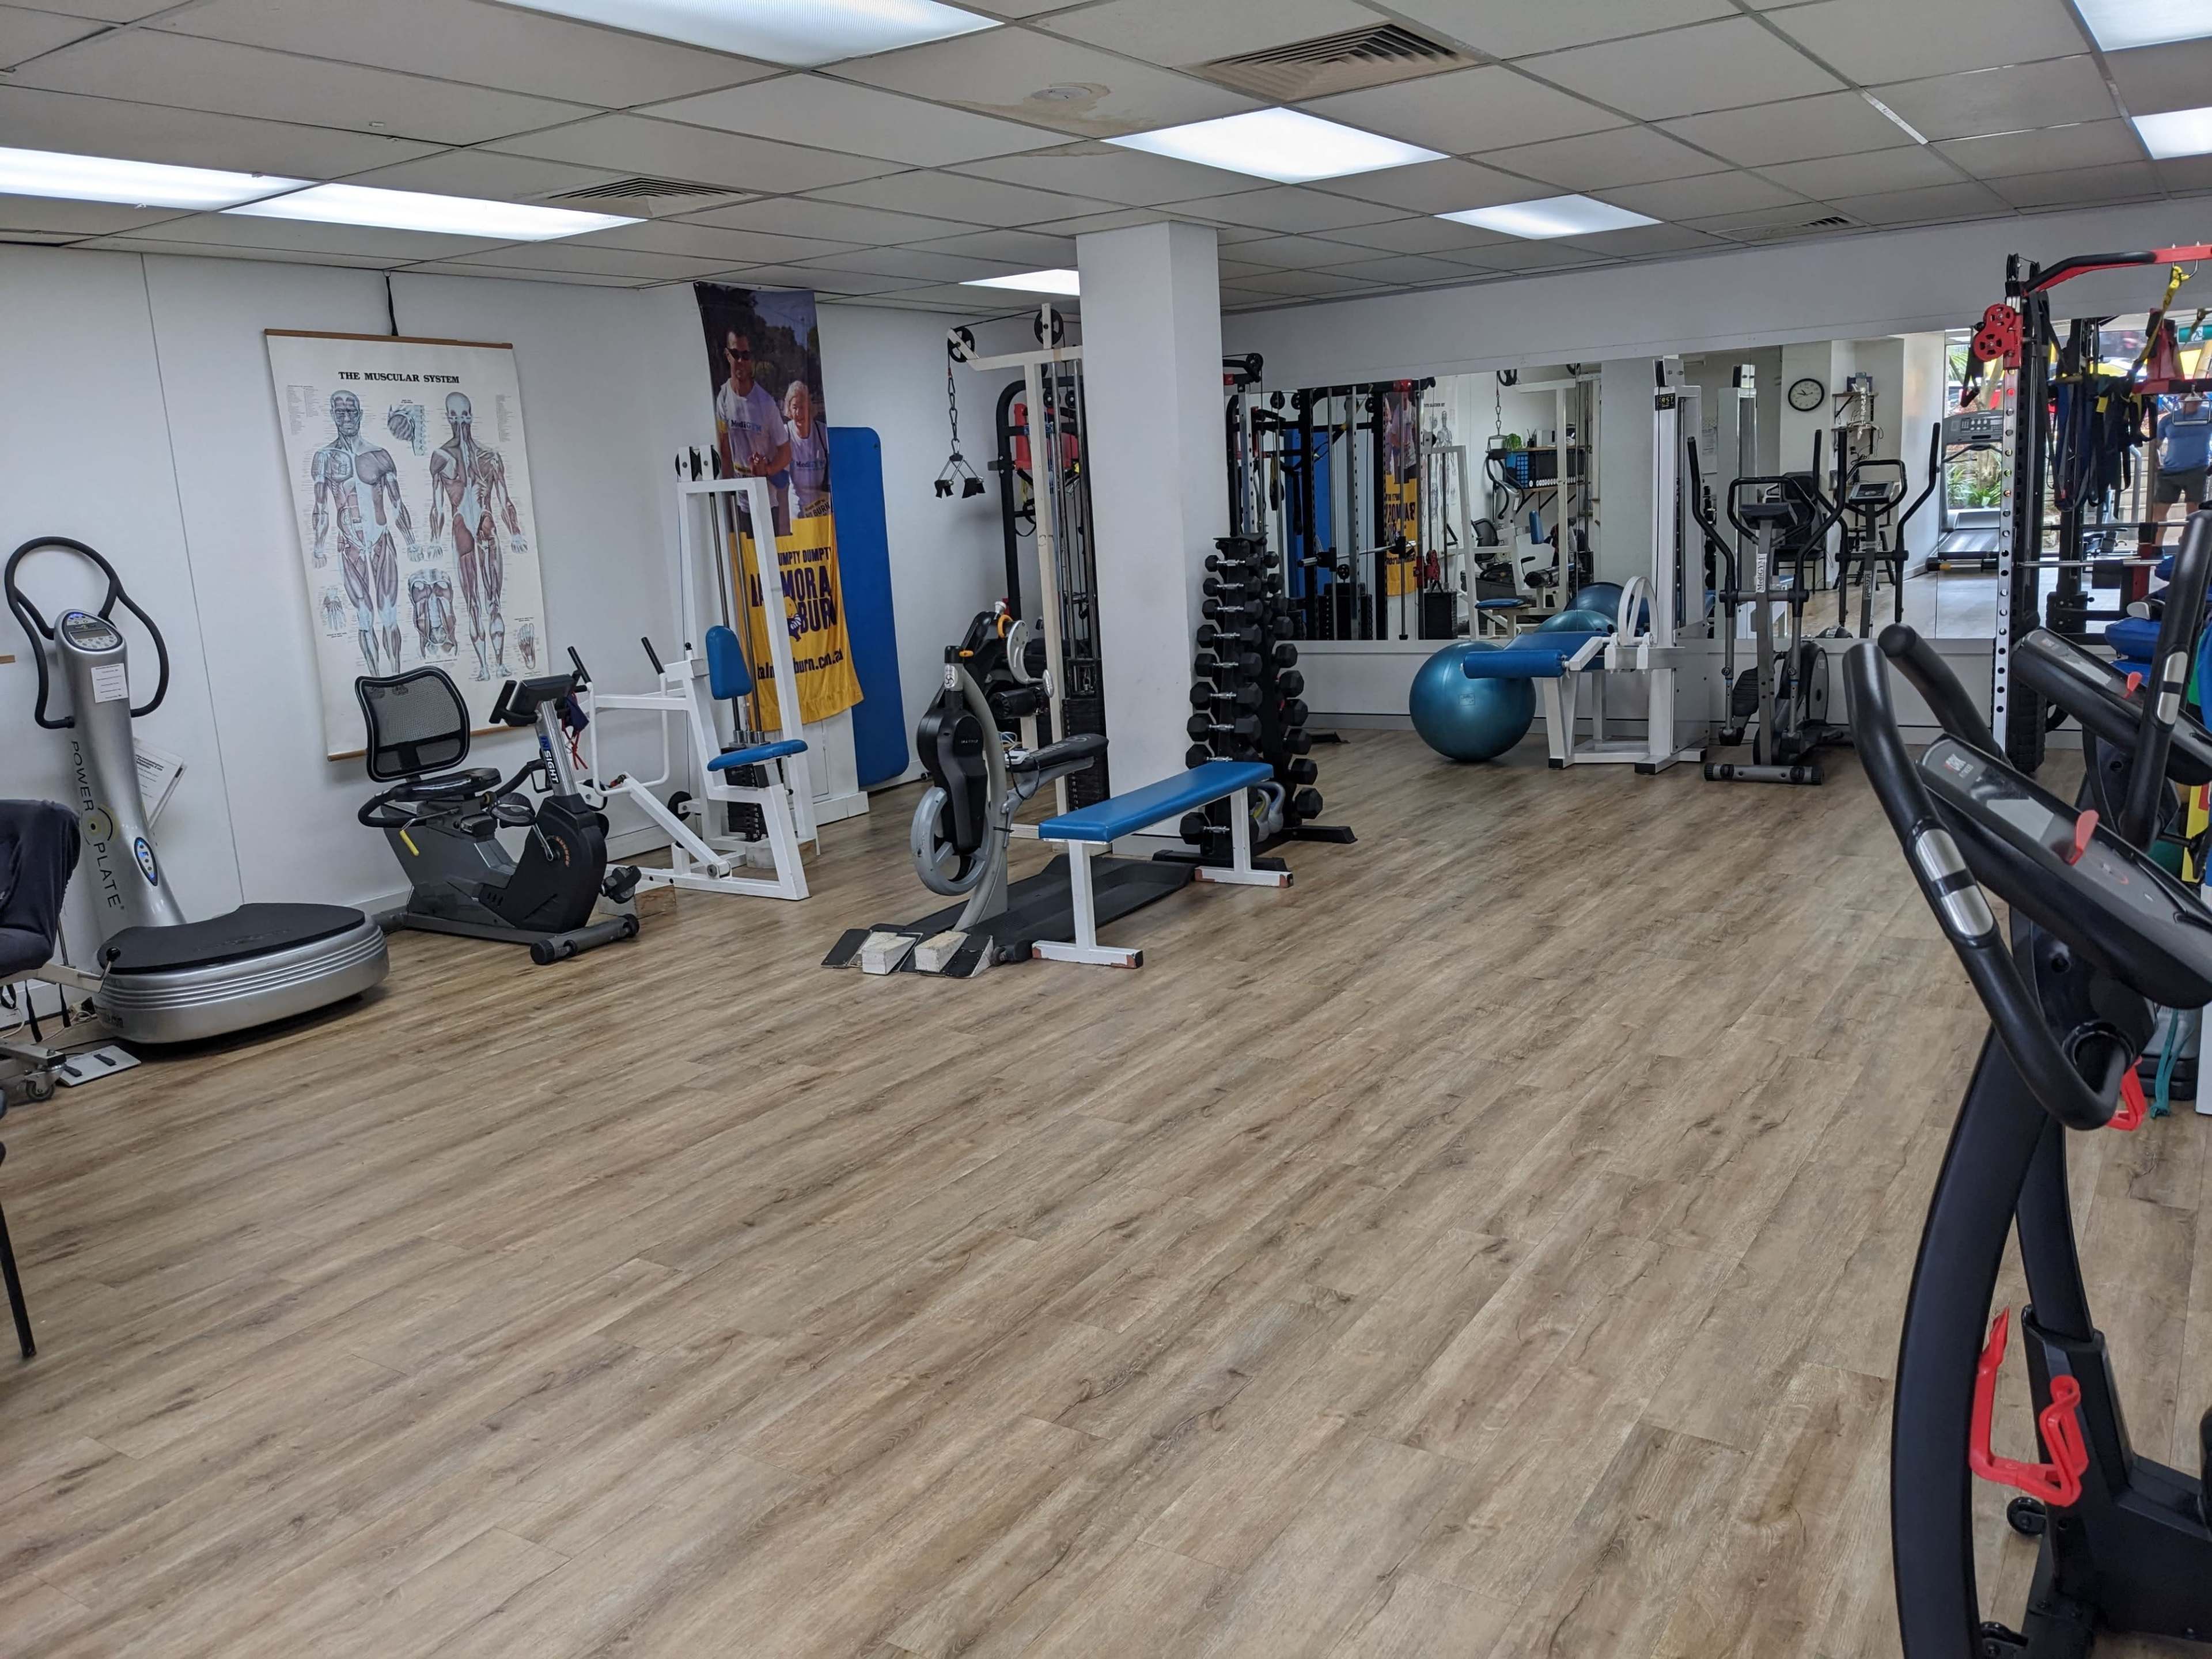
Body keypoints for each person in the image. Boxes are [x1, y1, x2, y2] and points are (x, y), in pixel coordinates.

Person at [713, 329, 791, 537]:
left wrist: (767, 470)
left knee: (769, 561)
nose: (741, 360)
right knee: (746, 564)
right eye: (735, 354)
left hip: (766, 498)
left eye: (746, 355)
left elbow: (786, 452)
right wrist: (726, 487)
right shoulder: (723, 397)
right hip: (739, 499)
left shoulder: (765, 404)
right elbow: (724, 446)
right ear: (727, 355)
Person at [2152, 392, 2211, 538]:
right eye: (2192, 399)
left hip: (2197, 469)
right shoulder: (2169, 420)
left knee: (2194, 511)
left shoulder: (2208, 416)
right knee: (2159, 511)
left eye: (2199, 398)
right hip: (2170, 470)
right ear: (2182, 400)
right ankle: (2156, 546)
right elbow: (2156, 445)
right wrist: (2157, 461)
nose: (2196, 401)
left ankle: (2187, 544)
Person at [785, 381, 831, 518]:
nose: (798, 413)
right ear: (789, 409)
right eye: (794, 408)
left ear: (809, 408)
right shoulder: (785, 433)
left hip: (822, 506)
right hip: (797, 507)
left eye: (802, 407)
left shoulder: (823, 432)